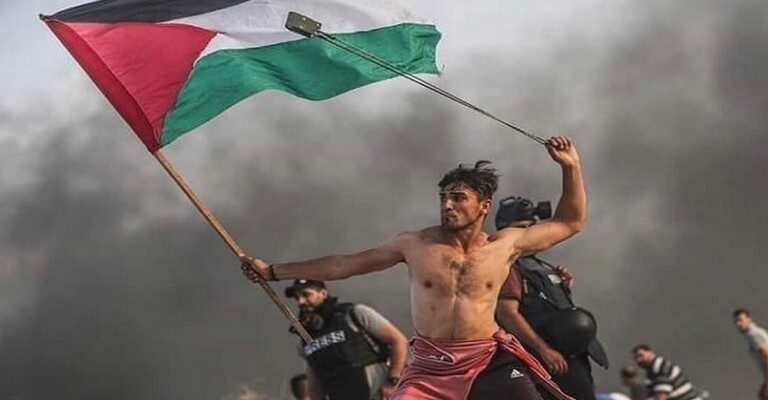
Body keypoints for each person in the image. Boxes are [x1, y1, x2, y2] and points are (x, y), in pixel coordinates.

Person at [243, 135, 586, 400]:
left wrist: (570, 166)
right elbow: (345, 264)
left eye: (458, 198)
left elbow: (570, 222)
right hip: (430, 368)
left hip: (487, 359)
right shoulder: (415, 244)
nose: (447, 205)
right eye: (443, 198)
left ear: (484, 206)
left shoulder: (504, 245)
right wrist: (273, 271)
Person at [495, 196, 609, 400]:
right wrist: (543, 349)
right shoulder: (507, 267)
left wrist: (562, 286)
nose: (528, 233)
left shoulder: (541, 266)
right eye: (520, 228)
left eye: (532, 227)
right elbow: (507, 314)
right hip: (546, 359)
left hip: (570, 354)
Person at [283, 279, 408, 400]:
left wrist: (393, 382)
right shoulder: (306, 337)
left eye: (306, 294)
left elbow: (399, 341)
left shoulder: (354, 314)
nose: (301, 301)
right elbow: (314, 380)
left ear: (323, 293)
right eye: (297, 297)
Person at [632, 344, 705, 400]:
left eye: (640, 356)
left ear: (651, 352)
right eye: (636, 358)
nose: (639, 360)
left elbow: (661, 396)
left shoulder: (660, 368)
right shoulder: (652, 370)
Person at [733, 308, 768, 399]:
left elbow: (766, 358)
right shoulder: (753, 334)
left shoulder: (754, 335)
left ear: (750, 318)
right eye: (735, 322)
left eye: (740, 320)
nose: (738, 324)